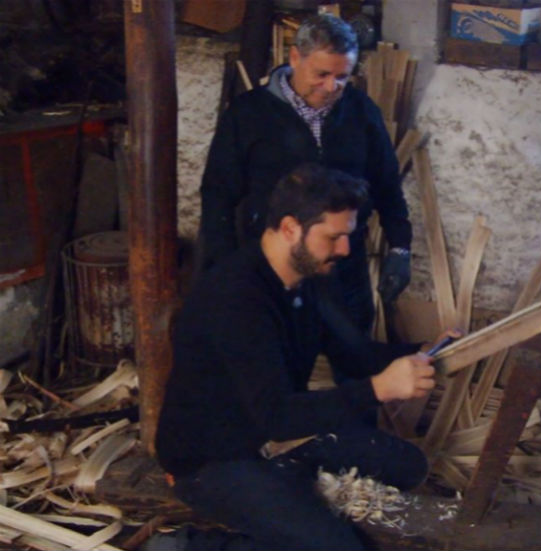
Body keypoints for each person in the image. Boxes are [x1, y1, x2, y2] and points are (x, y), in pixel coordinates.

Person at [157, 164, 451, 550]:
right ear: (290, 228)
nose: (345, 250)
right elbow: (278, 416)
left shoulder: (306, 279)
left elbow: (355, 355)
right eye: (334, 237)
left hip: (274, 439)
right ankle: (188, 546)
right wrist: (379, 388)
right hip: (212, 458)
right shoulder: (236, 298)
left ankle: (289, 499)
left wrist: (427, 351)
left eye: (348, 236)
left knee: (407, 466)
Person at [197, 14, 411, 334]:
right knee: (278, 349)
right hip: (275, 266)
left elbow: (387, 183)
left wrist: (400, 246)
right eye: (322, 74)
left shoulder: (361, 111)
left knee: (353, 349)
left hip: (342, 262)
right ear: (295, 57)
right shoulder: (248, 114)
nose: (332, 87)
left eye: (342, 76)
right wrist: (224, 266)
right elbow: (218, 194)